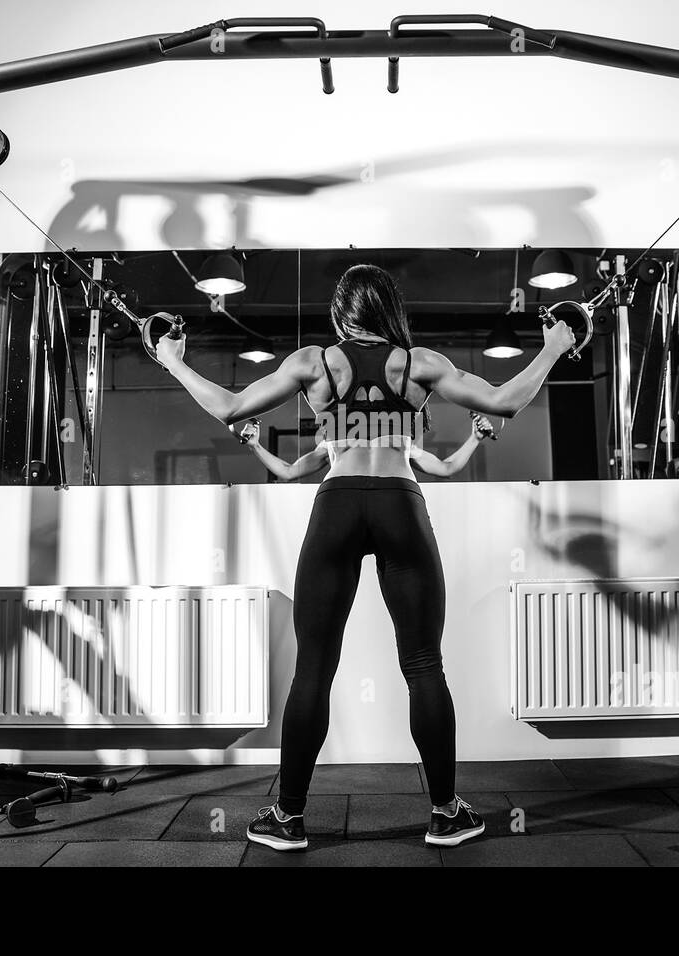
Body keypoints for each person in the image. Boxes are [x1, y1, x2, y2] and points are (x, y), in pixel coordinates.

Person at [156, 263, 574, 850]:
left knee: (314, 668)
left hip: (338, 508)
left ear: (341, 313)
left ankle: (288, 818)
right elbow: (504, 401)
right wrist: (554, 346)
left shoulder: (314, 363)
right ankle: (445, 814)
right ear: (389, 310)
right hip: (401, 504)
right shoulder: (419, 363)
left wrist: (172, 360)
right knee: (424, 664)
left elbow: (231, 408)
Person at [231, 412, 498, 482]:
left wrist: (474, 437)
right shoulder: (332, 443)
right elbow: (288, 471)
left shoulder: (399, 442)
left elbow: (446, 467)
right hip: (345, 499)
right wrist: (255, 446)